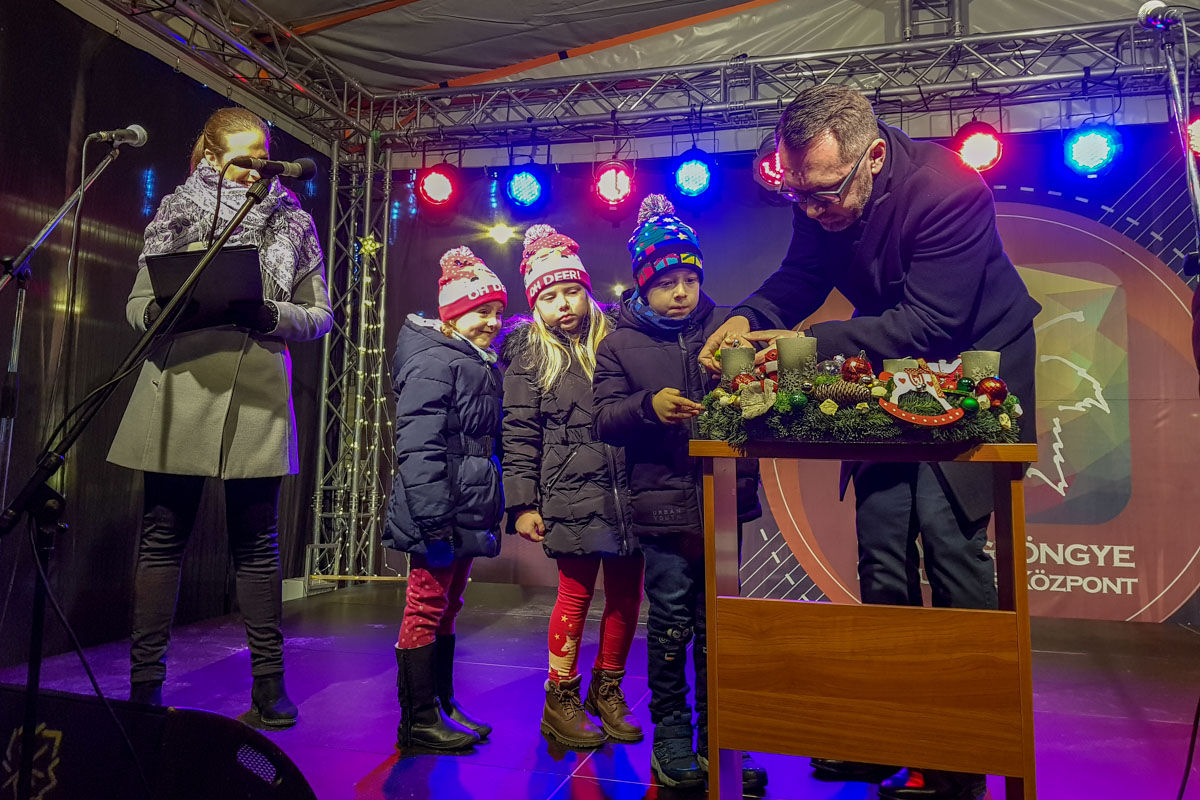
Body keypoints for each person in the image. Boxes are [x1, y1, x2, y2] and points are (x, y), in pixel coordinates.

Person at [699, 85, 1041, 800]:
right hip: (882, 354)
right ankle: (886, 736)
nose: (813, 211)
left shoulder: (949, 188)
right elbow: (803, 275)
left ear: (874, 156)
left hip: (971, 359)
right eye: (799, 196)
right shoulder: (818, 192)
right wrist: (748, 316)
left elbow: (930, 326)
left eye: (824, 195)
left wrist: (802, 343)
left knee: (948, 543)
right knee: (882, 539)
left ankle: (961, 759)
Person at [108, 106, 331, 726]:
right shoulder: (176, 211)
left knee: (257, 545)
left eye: (262, 155)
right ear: (209, 156)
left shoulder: (295, 220)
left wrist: (274, 315)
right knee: (162, 539)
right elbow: (134, 302)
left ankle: (268, 685)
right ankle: (146, 685)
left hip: (256, 389)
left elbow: (320, 315)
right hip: (179, 385)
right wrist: (156, 316)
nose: (255, 167)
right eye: (242, 158)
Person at [593, 195, 767, 793]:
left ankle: (722, 736)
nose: (682, 292)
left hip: (724, 504)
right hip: (661, 506)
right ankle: (671, 733)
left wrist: (742, 383)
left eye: (690, 278)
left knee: (718, 623)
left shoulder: (728, 330)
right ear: (645, 285)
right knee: (670, 622)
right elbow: (604, 418)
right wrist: (649, 406)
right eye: (668, 281)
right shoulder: (618, 343)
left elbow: (760, 403)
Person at [499, 224, 643, 750]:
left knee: (628, 594)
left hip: (625, 494)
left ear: (586, 291)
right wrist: (522, 503)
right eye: (551, 296)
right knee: (576, 596)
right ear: (537, 303)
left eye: (572, 291)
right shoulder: (530, 356)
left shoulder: (614, 343)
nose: (564, 304)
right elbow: (517, 432)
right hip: (567, 496)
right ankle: (560, 696)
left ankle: (609, 689)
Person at [384, 246, 507, 752]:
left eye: (498, 312)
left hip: (463, 508)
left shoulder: (470, 359)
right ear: (453, 312)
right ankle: (417, 720)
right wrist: (434, 523)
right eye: (482, 311)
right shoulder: (435, 361)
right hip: (437, 512)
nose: (492, 322)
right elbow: (418, 445)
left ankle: (442, 703)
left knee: (448, 606)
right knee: (425, 607)